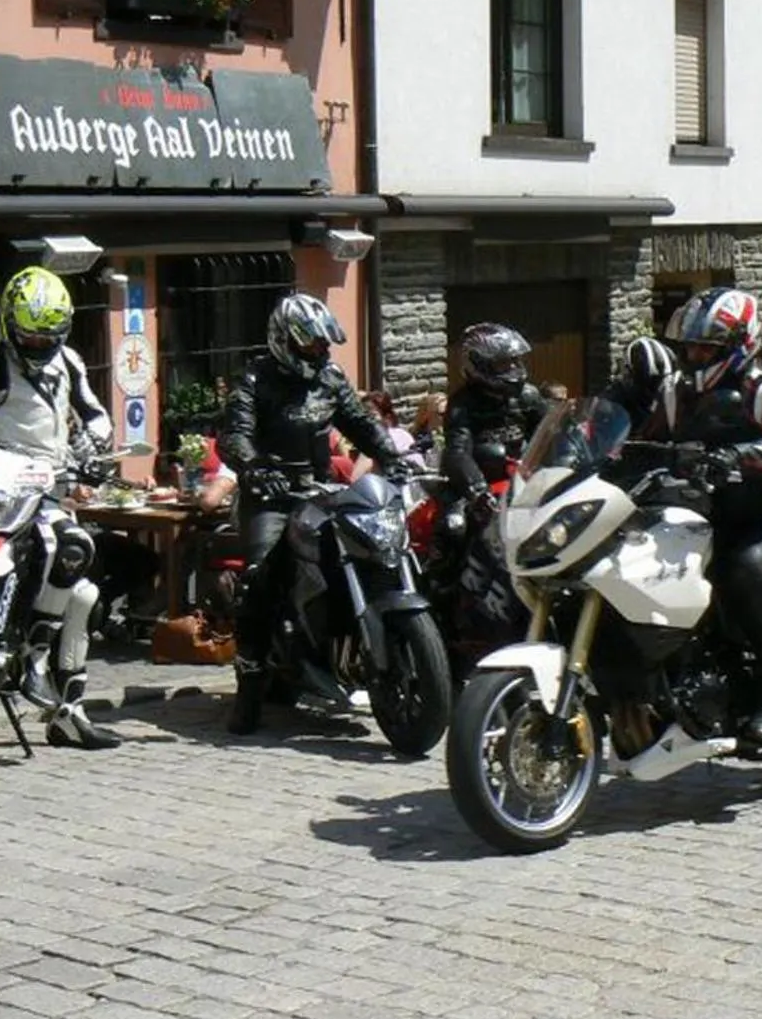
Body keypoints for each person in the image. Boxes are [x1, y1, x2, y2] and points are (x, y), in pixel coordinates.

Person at [608, 289, 762, 742]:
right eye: (689, 346)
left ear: (739, 343)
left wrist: (736, 456)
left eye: (706, 347)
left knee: (747, 567)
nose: (695, 354)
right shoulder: (677, 391)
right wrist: (597, 459)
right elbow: (643, 446)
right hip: (704, 516)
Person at [0, 267, 121, 749]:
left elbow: (96, 415)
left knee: (76, 557)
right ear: (9, 322)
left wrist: (93, 447)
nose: (39, 345)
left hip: (46, 484)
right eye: (29, 335)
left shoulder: (70, 362)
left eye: (48, 336)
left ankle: (43, 663)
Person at [218, 293, 408, 736]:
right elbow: (235, 434)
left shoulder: (330, 376)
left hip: (322, 491)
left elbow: (360, 421)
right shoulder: (253, 379)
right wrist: (254, 466)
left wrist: (390, 452)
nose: (321, 352)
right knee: (259, 579)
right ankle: (249, 689)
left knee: (373, 545)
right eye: (312, 345)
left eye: (324, 345)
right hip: (272, 496)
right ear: (284, 340)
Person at [442, 324, 550, 512]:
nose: (514, 368)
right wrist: (478, 491)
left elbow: (551, 433)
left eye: (515, 361)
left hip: (523, 482)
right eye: (504, 363)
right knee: (453, 527)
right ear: (479, 364)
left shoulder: (528, 396)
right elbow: (458, 451)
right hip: (481, 484)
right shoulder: (462, 404)